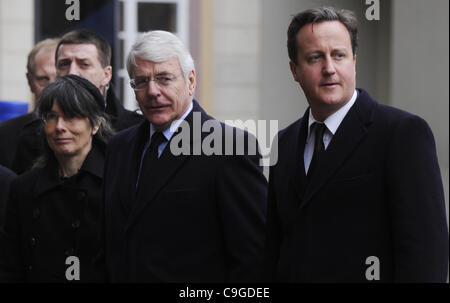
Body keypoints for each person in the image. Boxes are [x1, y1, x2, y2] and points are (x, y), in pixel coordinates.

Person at [264, 7, 448, 282]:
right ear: (295, 70)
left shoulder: (402, 134)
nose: (329, 68)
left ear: (354, 61)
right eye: (315, 58)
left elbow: (426, 255)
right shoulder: (284, 143)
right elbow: (275, 250)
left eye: (339, 55)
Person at [102, 30, 267, 282]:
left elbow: (252, 259)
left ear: (191, 81)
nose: (153, 91)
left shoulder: (230, 147)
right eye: (141, 81)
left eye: (164, 79)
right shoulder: (119, 146)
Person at [0, 75, 113, 282]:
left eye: (71, 116)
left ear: (95, 124)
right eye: (51, 117)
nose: (59, 126)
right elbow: (10, 267)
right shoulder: (23, 188)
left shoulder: (116, 184)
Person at [55, 29, 143, 131]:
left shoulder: (137, 130)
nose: (72, 72)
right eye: (64, 64)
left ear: (106, 75)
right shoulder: (38, 130)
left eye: (84, 64)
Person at [0, 38, 60, 173]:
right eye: (43, 79)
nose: (52, 87)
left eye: (59, 78)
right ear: (29, 81)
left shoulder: (89, 132)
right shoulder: (4, 135)